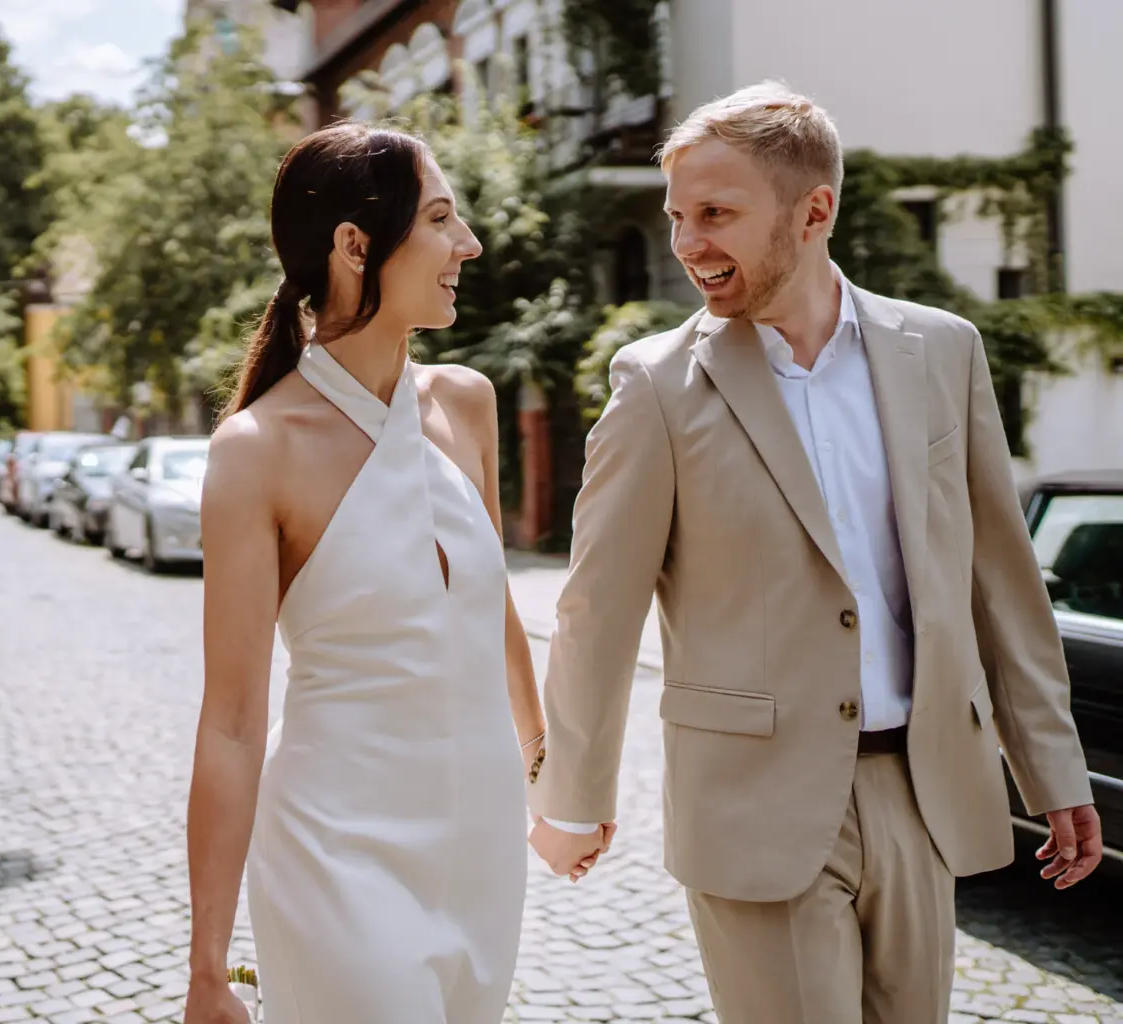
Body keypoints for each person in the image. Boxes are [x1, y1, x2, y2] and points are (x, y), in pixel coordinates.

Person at [526, 81, 1103, 1023]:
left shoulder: (943, 351)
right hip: (754, 804)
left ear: (814, 210)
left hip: (923, 791)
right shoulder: (657, 386)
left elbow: (999, 580)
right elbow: (598, 608)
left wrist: (1054, 769)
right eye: (678, 216)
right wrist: (573, 795)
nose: (687, 244)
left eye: (716, 213)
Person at [183, 124, 589, 1024]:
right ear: (355, 245)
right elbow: (233, 724)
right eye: (441, 218)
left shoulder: (465, 405)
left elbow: (492, 622)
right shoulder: (256, 452)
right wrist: (207, 966)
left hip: (480, 849)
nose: (468, 244)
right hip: (338, 852)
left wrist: (553, 786)